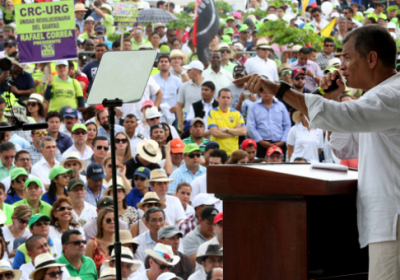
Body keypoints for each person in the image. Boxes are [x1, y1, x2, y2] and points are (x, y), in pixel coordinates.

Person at [246, 89, 291, 159]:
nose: (266, 93)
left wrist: (282, 141)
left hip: (279, 144)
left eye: (268, 90)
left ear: (273, 92)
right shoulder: (253, 107)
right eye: (263, 91)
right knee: (261, 168)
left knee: (279, 168)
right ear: (260, 92)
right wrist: (261, 141)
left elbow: (287, 125)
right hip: (261, 145)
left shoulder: (281, 106)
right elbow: (250, 127)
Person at [207, 88, 246, 156]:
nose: (226, 100)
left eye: (228, 98)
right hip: (218, 153)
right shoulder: (212, 112)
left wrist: (226, 130)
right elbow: (215, 133)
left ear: (231, 99)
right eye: (223, 97)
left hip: (233, 152)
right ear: (218, 98)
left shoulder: (236, 113)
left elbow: (243, 132)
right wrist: (235, 133)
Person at [176, 61, 205, 131]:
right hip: (188, 124)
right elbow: (179, 106)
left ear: (197, 71)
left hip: (205, 122)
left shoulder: (209, 85)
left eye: (189, 70)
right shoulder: (184, 86)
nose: (187, 72)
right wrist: (181, 124)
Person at [85, 207, 114, 274]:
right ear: (101, 223)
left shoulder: (121, 242)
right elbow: (87, 270)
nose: (112, 222)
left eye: (115, 219)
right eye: (108, 220)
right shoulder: (92, 244)